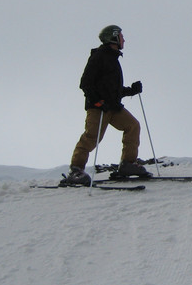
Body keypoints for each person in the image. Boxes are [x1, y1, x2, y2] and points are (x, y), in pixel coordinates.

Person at [64, 25, 150, 185]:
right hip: (98, 108)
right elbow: (85, 83)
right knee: (92, 137)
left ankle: (128, 164)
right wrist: (97, 101)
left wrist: (132, 90)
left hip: (112, 107)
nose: (124, 39)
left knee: (133, 126)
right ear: (114, 38)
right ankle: (76, 170)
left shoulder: (112, 58)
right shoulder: (99, 57)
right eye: (121, 36)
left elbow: (112, 90)